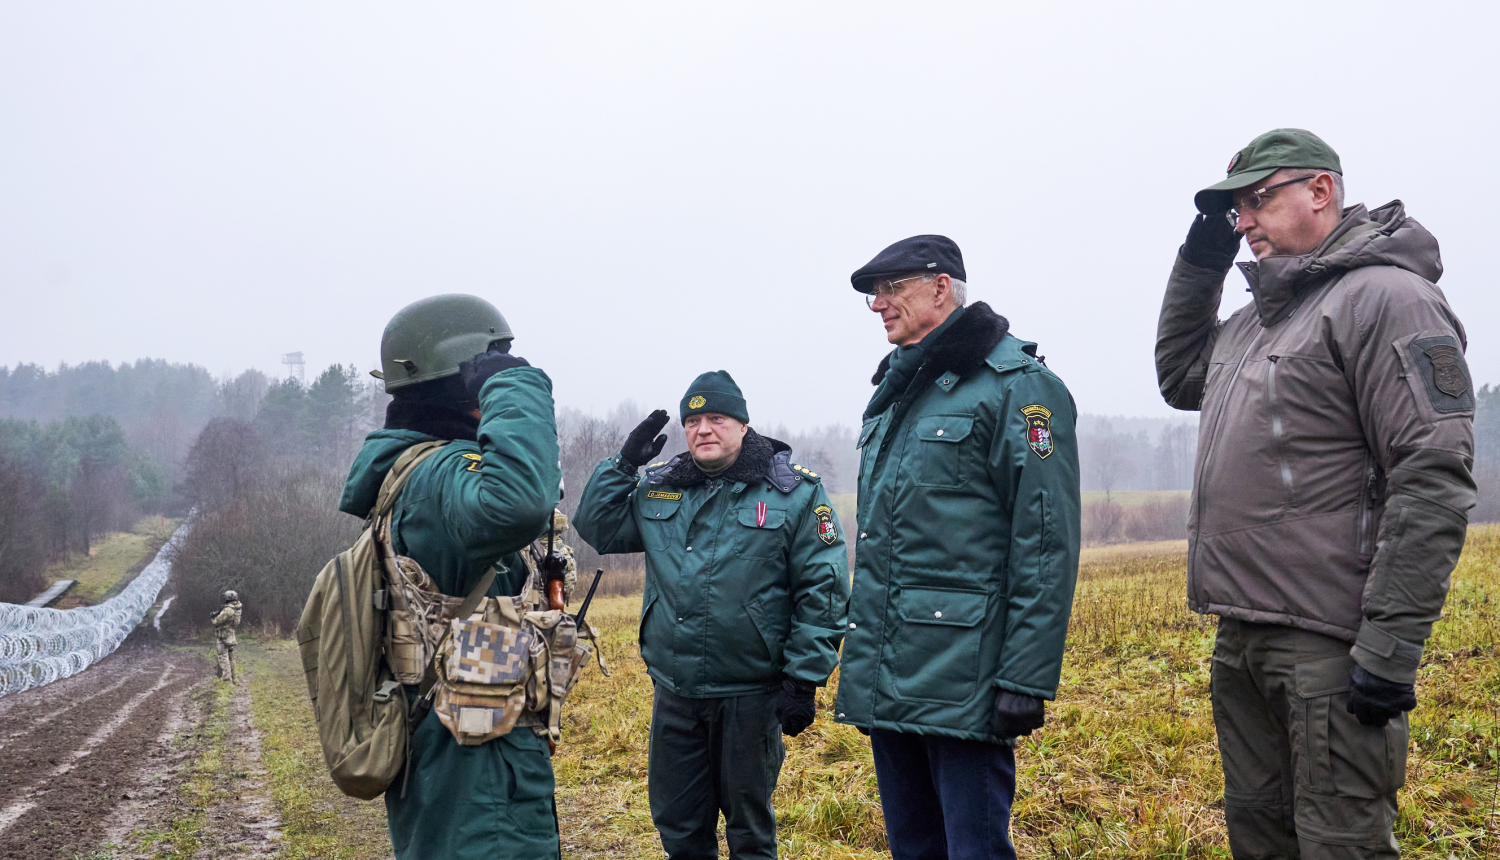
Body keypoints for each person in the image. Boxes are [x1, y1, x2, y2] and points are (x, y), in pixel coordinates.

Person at [1156, 128, 1475, 858]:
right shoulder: (1259, 320)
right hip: (1244, 636)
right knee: (1260, 837)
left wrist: (1389, 647)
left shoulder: (1387, 299)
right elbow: (1179, 376)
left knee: (1340, 844)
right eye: (1234, 209)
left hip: (1327, 646)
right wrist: (1201, 262)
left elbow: (1432, 473)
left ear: (1321, 191)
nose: (1243, 221)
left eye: (1257, 200)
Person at [833, 235, 1081, 860]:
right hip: (896, 670)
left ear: (941, 287)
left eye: (892, 288)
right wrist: (868, 675)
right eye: (873, 294)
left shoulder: (1017, 387)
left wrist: (1025, 676)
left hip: (966, 677)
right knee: (913, 849)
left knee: (975, 850)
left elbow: (1046, 540)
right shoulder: (898, 391)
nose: (878, 304)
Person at [574, 371, 849, 860]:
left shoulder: (793, 493)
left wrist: (804, 678)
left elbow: (823, 589)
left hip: (750, 694)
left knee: (749, 831)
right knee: (679, 827)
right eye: (692, 421)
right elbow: (598, 527)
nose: (702, 429)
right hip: (675, 691)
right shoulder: (660, 488)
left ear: (743, 425)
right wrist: (624, 464)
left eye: (716, 419)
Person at [339, 293, 562, 860]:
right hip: (477, 758)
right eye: (491, 361)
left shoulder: (418, 470)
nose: (498, 373)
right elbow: (519, 502)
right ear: (464, 385)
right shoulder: (441, 474)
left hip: (459, 738)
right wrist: (514, 386)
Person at [211, 589, 242, 684]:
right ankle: (234, 679)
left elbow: (216, 621)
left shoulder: (228, 610)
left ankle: (227, 680)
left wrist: (213, 617)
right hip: (231, 635)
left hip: (223, 636)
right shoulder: (237, 608)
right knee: (231, 657)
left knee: (223, 658)